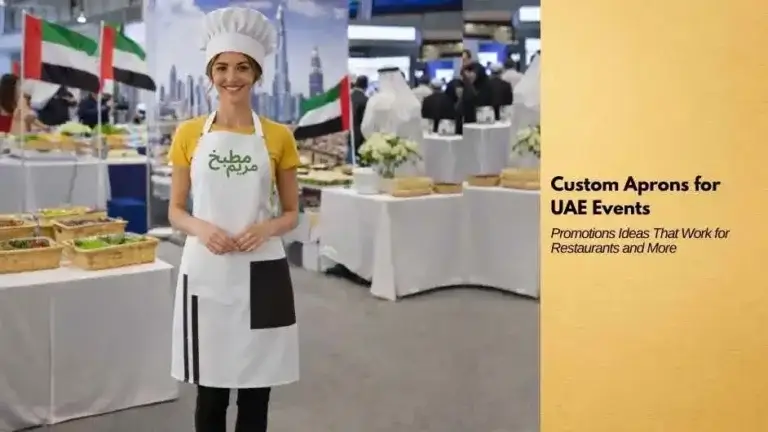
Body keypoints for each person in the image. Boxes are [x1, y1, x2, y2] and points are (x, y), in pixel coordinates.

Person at [167, 7, 300, 432]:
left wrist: (265, 228)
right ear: (210, 74)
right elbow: (175, 210)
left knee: (257, 393)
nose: (232, 77)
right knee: (210, 394)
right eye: (221, 67)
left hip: (263, 273)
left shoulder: (279, 136)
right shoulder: (189, 133)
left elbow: (294, 213)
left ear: (257, 74)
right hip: (207, 270)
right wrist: (202, 228)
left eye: (243, 67)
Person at [360, 66, 422, 143]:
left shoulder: (375, 101)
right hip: (408, 148)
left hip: (381, 148)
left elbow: (366, 128)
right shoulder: (413, 101)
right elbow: (417, 130)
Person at [350, 75, 368, 162]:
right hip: (359, 135)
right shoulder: (365, 100)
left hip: (347, 133)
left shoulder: (348, 97)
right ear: (366, 86)